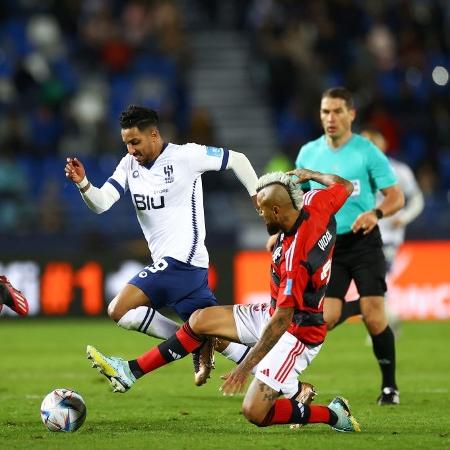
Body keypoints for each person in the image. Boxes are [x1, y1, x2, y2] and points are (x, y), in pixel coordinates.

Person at [85, 170, 361, 433]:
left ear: (278, 211)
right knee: (200, 320)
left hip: (297, 332)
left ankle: (334, 414)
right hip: (274, 312)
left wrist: (244, 368)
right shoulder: (316, 202)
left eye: (262, 209)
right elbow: (345, 186)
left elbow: (282, 321)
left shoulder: (296, 258)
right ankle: (131, 371)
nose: (259, 213)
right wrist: (312, 174)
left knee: (255, 412)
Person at [64, 105, 258, 385]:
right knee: (216, 335)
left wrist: (256, 195)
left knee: (119, 310)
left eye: (135, 142)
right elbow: (102, 202)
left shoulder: (186, 156)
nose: (130, 150)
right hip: (175, 268)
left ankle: (185, 342)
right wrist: (84, 184)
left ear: (153, 134)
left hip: (183, 261)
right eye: (126, 144)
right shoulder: (129, 165)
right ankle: (292, 386)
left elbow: (237, 160)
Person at [293, 87, 405, 405]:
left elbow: (396, 196)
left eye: (337, 111)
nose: (330, 118)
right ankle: (371, 305)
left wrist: (375, 213)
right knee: (327, 316)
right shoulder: (308, 153)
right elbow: (297, 200)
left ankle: (389, 387)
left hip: (364, 242)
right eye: (325, 112)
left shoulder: (367, 152)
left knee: (373, 317)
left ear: (351, 114)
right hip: (328, 244)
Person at [337, 129, 425, 333]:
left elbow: (417, 199)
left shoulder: (399, 171)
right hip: (362, 236)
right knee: (372, 283)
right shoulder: (355, 173)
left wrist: (404, 218)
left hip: (388, 238)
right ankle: (387, 320)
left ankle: (384, 323)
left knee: (374, 282)